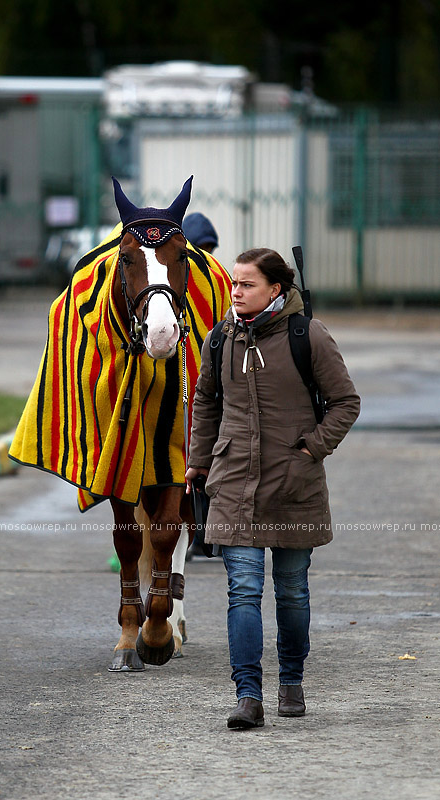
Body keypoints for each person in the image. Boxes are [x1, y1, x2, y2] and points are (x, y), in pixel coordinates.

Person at [185, 247, 360, 730]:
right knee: (242, 591)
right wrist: (199, 462)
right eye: (234, 283)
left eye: (247, 284)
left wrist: (312, 448)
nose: (235, 292)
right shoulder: (220, 337)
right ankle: (247, 695)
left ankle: (291, 681)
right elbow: (205, 400)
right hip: (233, 482)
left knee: (292, 592)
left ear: (275, 290)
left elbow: (346, 402)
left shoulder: (310, 336)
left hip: (294, 486)